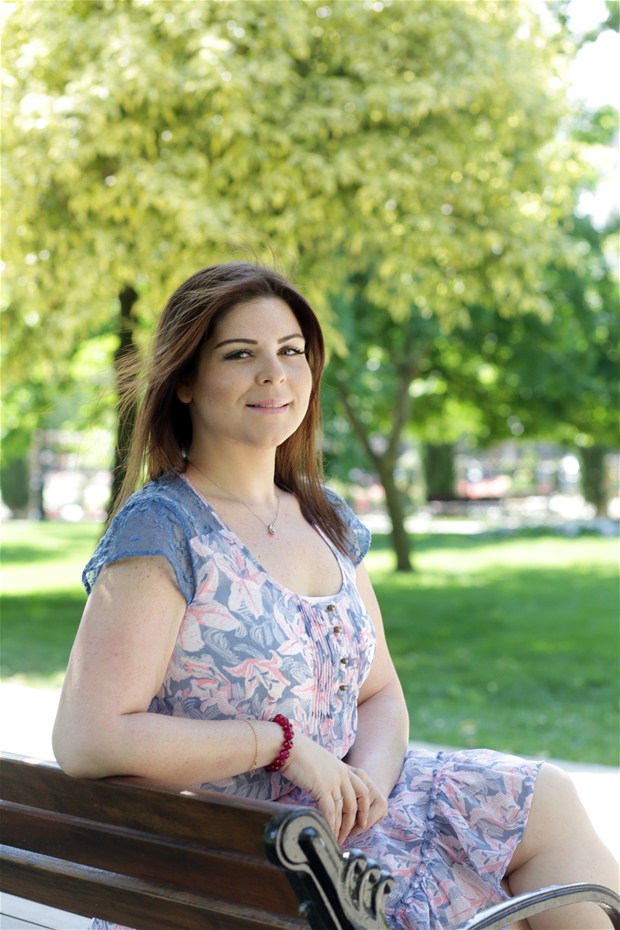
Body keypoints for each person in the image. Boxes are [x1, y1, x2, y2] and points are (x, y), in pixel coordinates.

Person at [53, 262, 618, 930]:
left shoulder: (326, 519)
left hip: (335, 836)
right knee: (511, 913)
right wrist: (280, 745)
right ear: (184, 381)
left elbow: (381, 694)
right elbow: (89, 738)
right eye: (241, 354)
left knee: (544, 800)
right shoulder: (166, 528)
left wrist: (367, 791)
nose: (275, 374)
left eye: (291, 351)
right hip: (233, 859)